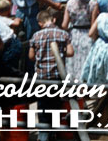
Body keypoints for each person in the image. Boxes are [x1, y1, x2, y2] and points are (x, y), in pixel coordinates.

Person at [29, 9, 73, 141]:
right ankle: (54, 133)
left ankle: (43, 135)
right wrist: (60, 52)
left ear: (40, 23)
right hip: (57, 76)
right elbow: (70, 52)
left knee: (43, 107)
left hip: (42, 78)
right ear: (53, 19)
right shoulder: (63, 34)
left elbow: (31, 56)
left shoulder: (36, 35)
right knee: (56, 106)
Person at [62, 0, 98, 81]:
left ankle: (72, 84)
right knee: (85, 62)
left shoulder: (70, 3)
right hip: (87, 35)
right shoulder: (93, 3)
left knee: (72, 63)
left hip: (73, 35)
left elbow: (64, 25)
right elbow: (93, 24)